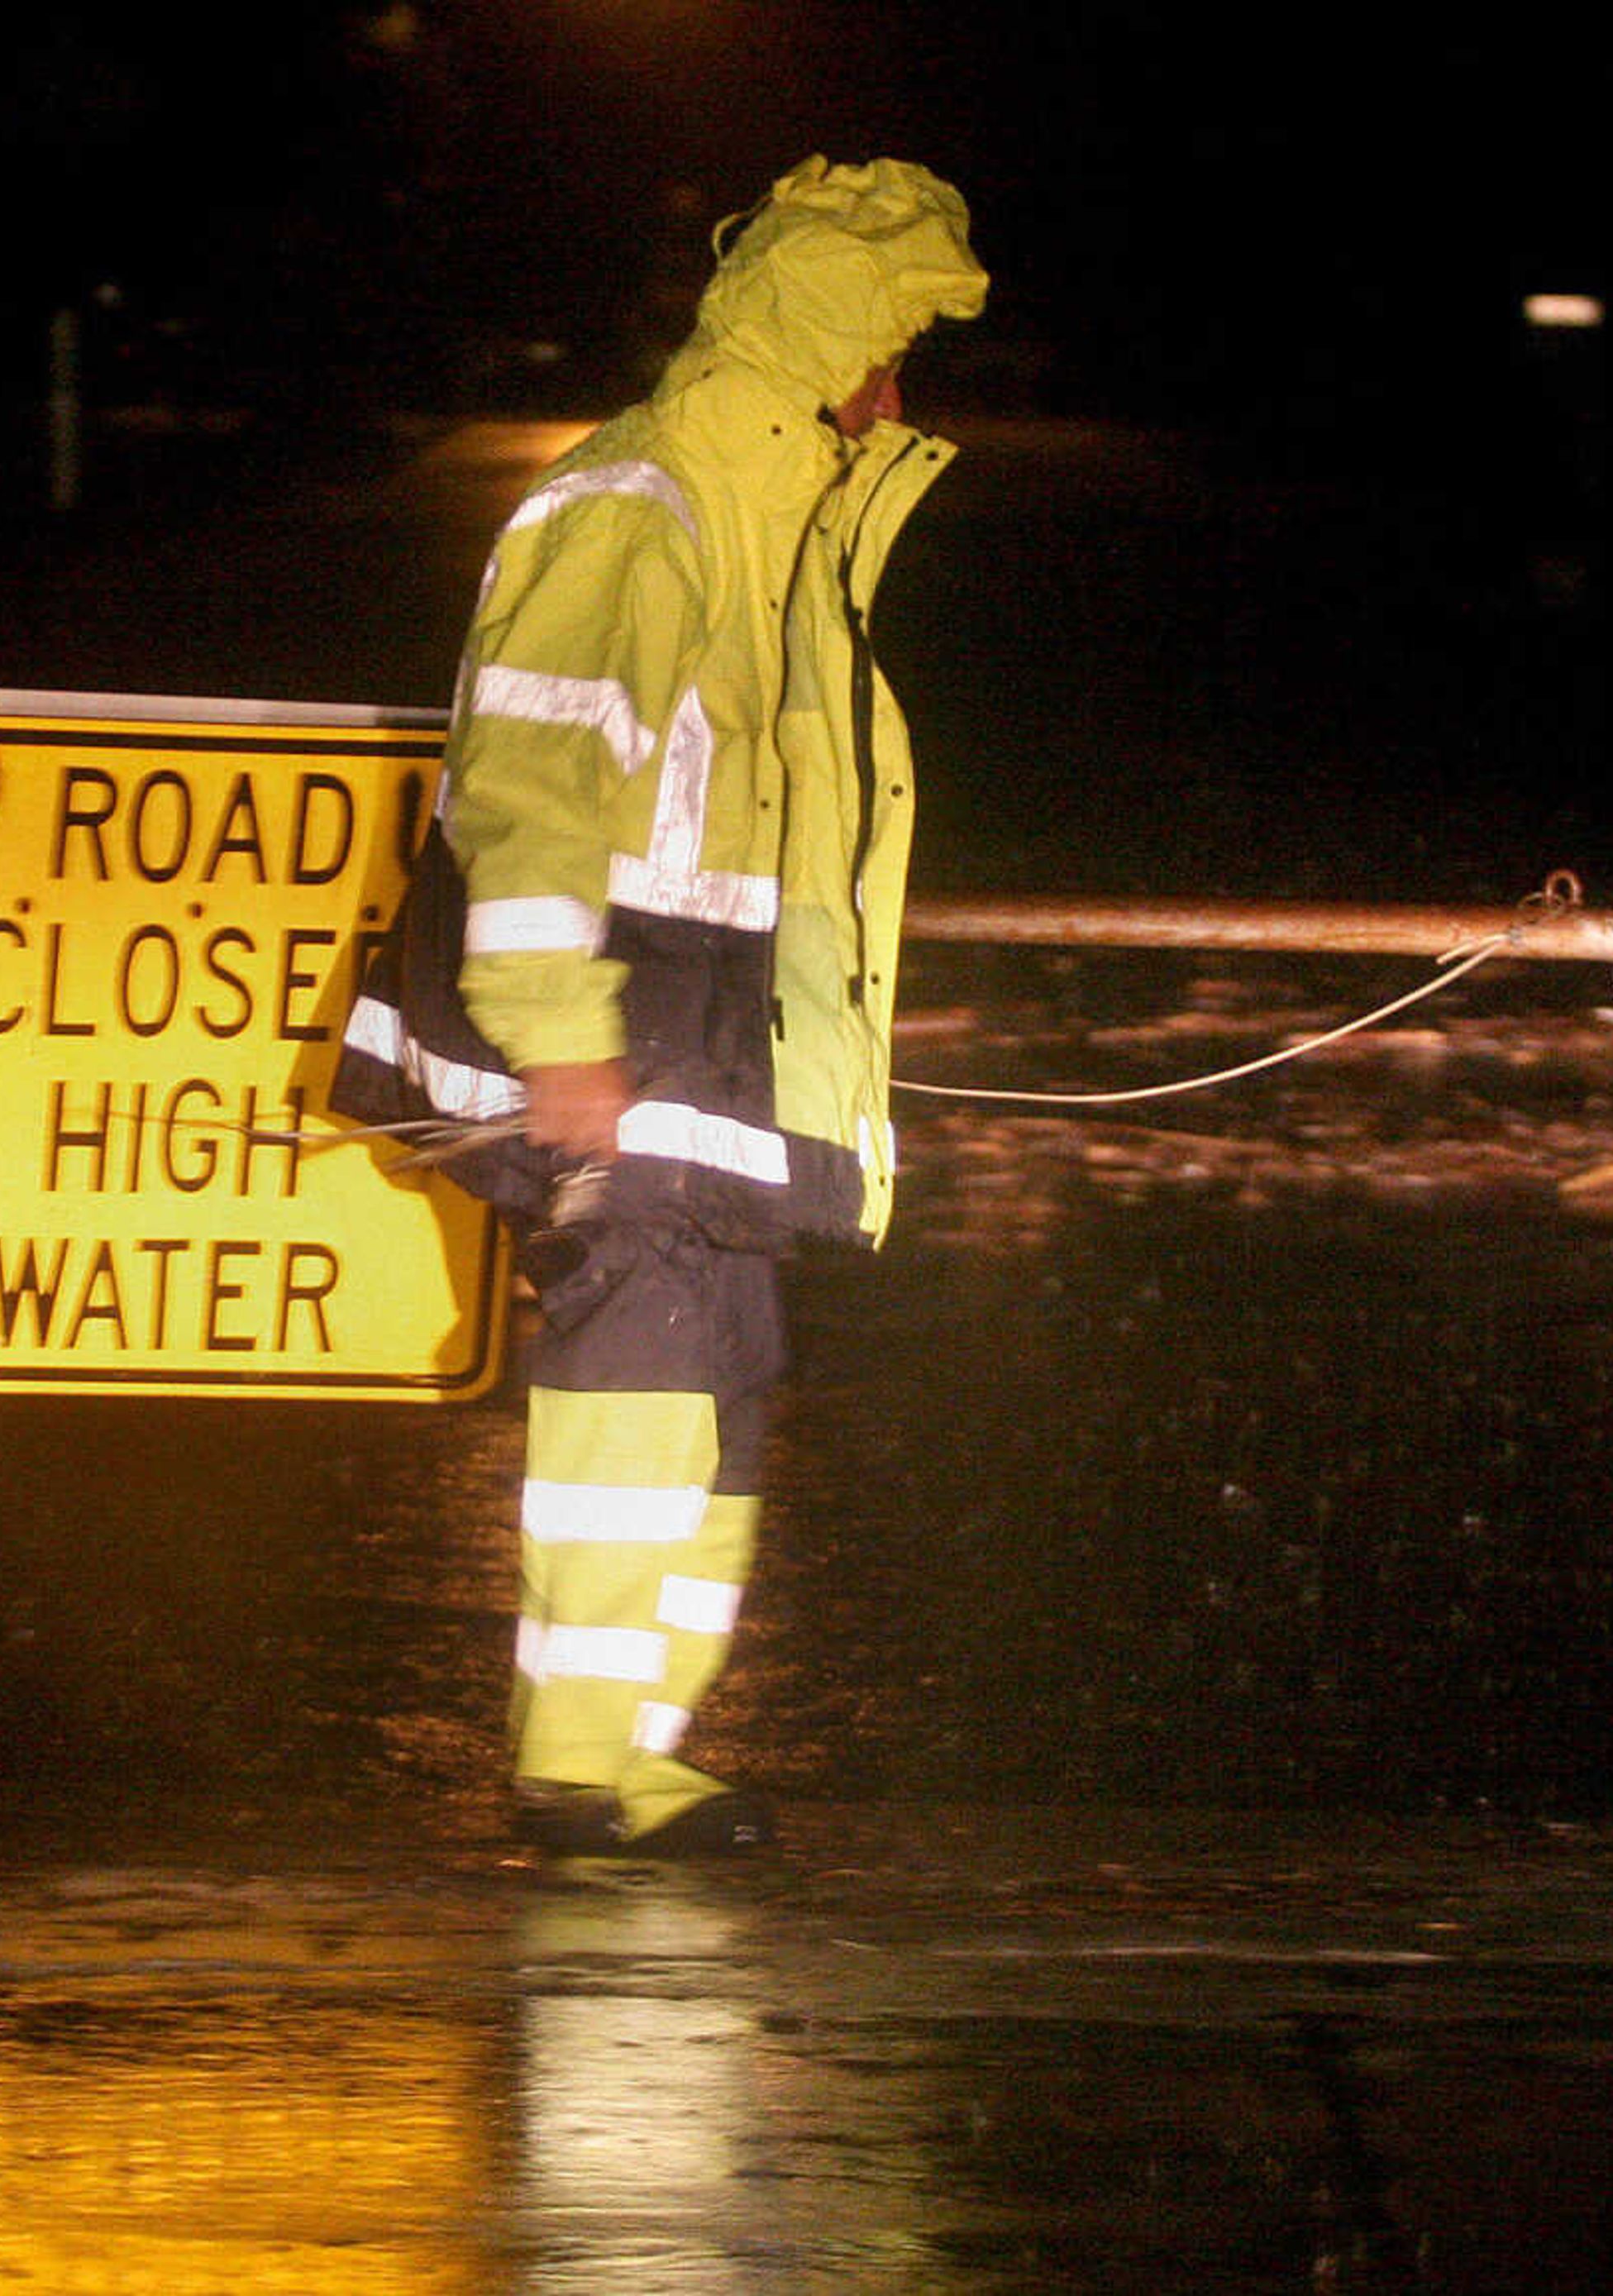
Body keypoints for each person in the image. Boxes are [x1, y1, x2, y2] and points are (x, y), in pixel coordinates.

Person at [334, 157, 986, 1855]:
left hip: (695, 1041)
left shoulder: (753, 517)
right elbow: (529, 788)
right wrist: (560, 1044)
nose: (899, 391)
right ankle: (576, 1767)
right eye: (891, 346)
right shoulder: (647, 504)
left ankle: (632, 1752)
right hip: (620, 1041)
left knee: (717, 1382)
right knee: (645, 1373)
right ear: (824, 341)